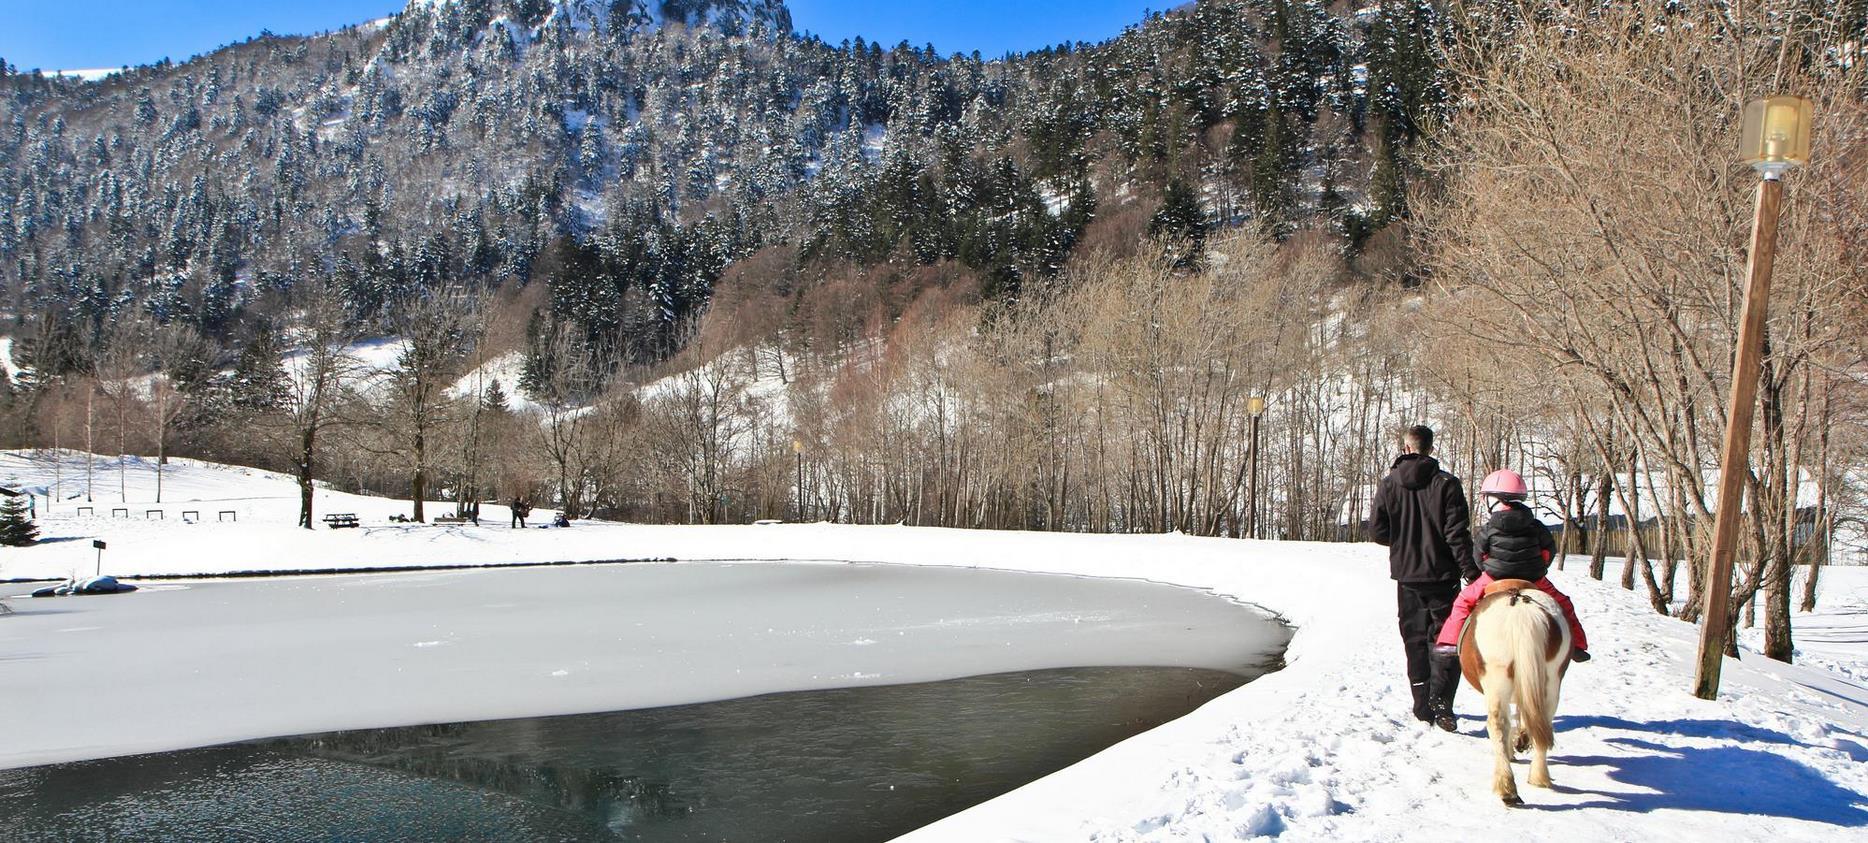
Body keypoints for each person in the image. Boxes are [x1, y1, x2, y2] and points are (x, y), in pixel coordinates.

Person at [1429, 469, 1591, 725]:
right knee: (1564, 605)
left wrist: (1491, 568)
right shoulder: (1535, 525)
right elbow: (1548, 551)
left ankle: (1449, 643)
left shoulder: (1489, 527)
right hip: (1534, 579)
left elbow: (1478, 557)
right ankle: (1579, 646)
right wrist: (1537, 568)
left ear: (1493, 499)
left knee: (1462, 603)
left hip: (1494, 579)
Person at [1369, 425, 1478, 727]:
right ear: (1430, 449)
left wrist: (1403, 541)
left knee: (1414, 639)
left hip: (1407, 576)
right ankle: (1442, 704)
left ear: (1405, 448)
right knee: (1445, 640)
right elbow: (1457, 534)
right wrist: (1471, 572)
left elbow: (1378, 532)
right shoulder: (1447, 484)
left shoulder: (1389, 484)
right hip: (1443, 576)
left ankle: (1421, 703)